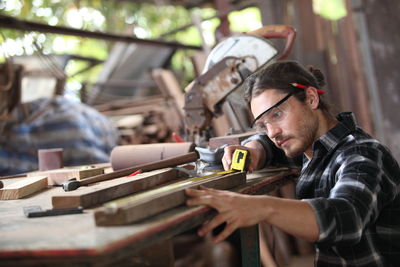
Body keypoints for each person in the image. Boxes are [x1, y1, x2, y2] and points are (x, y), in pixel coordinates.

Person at [185, 60, 400, 266]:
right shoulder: (313, 149)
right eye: (263, 124)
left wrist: (262, 207)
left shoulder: (363, 155)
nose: (272, 133)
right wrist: (254, 149)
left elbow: (346, 218)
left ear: (311, 98)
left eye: (277, 114)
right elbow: (272, 145)